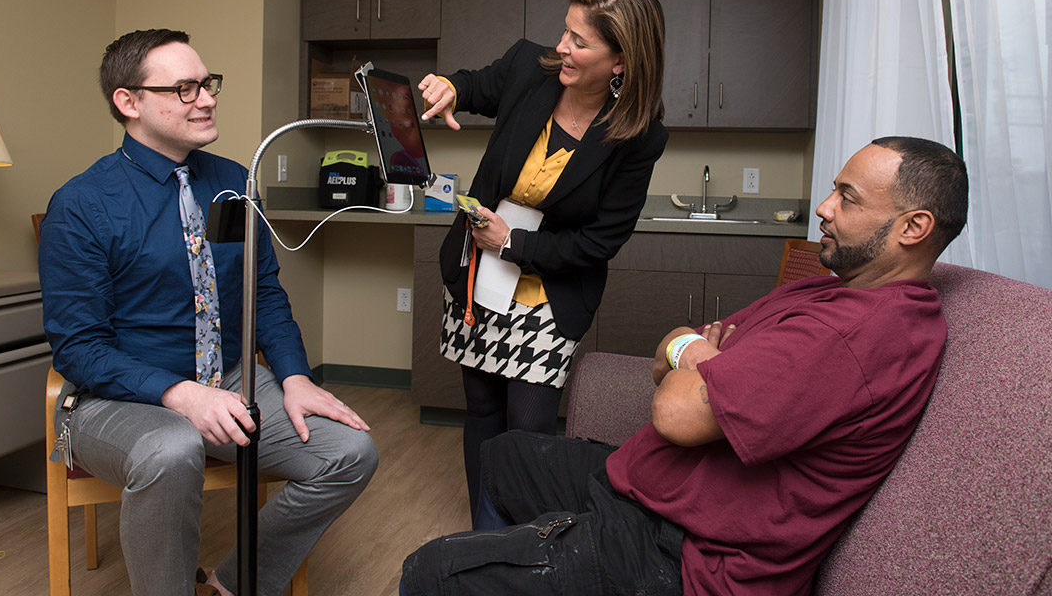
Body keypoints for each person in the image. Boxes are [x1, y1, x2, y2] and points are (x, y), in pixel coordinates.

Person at [401, 136, 970, 596]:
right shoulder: (829, 295)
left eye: (848, 198)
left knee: (429, 571)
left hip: (682, 555)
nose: (824, 207)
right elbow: (673, 346)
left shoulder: (853, 336)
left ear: (913, 228)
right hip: (652, 488)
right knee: (503, 454)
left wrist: (699, 355)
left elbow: (675, 409)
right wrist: (699, 354)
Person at [39, 29, 378, 596]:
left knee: (350, 452)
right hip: (116, 399)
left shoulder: (232, 183)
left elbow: (263, 291)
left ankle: (227, 585)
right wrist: (180, 394)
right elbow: (78, 347)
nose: (208, 98)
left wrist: (294, 376)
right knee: (174, 448)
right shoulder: (82, 204)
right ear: (129, 103)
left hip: (230, 377)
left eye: (208, 83)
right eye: (185, 88)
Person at [416, 0, 668, 521]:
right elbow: (476, 84)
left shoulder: (639, 135)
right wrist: (451, 87)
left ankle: (524, 545)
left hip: (547, 287)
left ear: (620, 60)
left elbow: (601, 240)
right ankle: (486, 536)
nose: (562, 48)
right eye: (565, 31)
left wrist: (513, 243)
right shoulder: (533, 67)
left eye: (580, 42)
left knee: (529, 426)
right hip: (477, 271)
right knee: (482, 408)